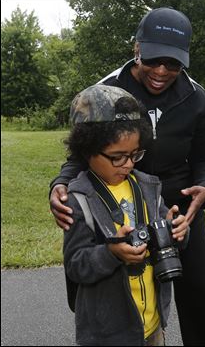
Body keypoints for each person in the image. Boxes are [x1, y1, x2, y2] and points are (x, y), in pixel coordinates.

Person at [50, 7, 205, 346]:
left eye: (173, 64)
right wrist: (59, 184)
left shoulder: (196, 97)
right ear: (136, 48)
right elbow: (81, 155)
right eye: (154, 59)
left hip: (177, 211)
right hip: (119, 207)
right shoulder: (104, 92)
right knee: (114, 295)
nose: (161, 71)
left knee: (200, 297)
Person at [62, 83, 189, 346]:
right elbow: (75, 265)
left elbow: (170, 231)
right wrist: (110, 254)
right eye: (118, 157)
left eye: (134, 155)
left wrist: (177, 229)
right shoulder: (79, 198)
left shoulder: (148, 186)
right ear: (87, 150)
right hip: (108, 333)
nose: (129, 164)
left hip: (153, 324)